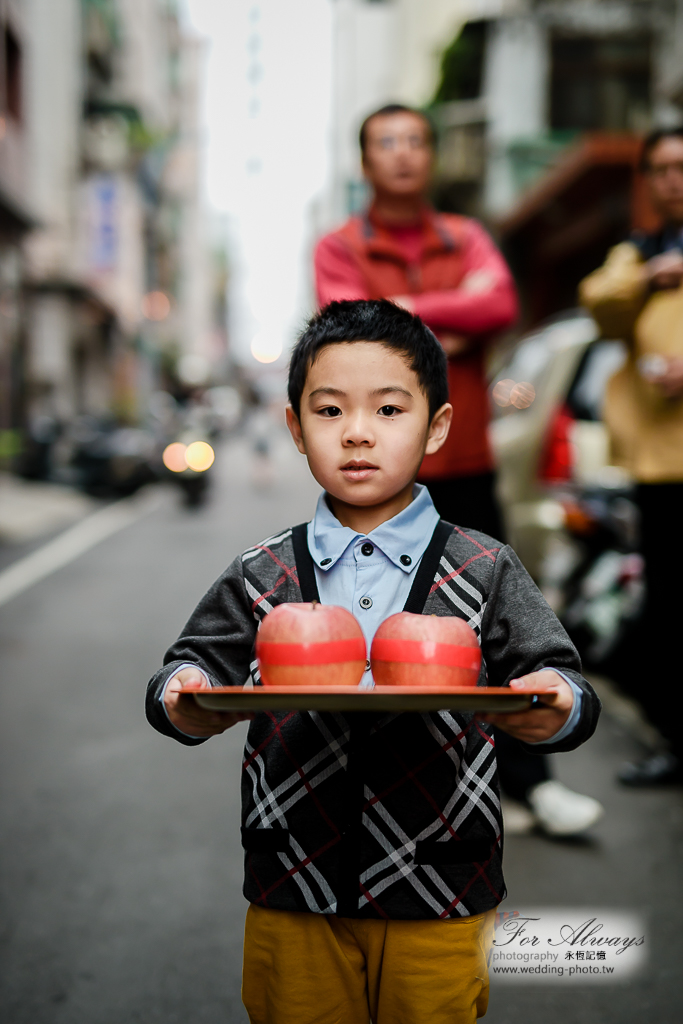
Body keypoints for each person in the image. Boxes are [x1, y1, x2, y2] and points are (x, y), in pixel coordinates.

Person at [146, 300, 601, 1024]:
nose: (357, 432)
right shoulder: (261, 572)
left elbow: (559, 677)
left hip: (441, 886)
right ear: (294, 428)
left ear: (438, 426)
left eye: (389, 410)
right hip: (292, 882)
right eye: (329, 412)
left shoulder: (483, 567)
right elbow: (191, 665)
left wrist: (553, 704)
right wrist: (185, 693)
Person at [315, 103, 602, 836]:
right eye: (387, 142)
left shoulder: (467, 236)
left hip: (465, 457)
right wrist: (443, 326)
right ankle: (373, 782)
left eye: (415, 140)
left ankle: (530, 784)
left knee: (497, 623)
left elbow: (498, 303)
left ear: (431, 156)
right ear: (365, 160)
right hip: (379, 471)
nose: (403, 154)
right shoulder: (340, 245)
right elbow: (347, 326)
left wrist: (402, 312)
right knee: (373, 624)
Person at [580, 126, 683, 786]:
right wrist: (650, 273)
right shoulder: (639, 253)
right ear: (647, 181)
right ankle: (675, 744)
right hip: (660, 465)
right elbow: (599, 303)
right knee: (669, 608)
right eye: (662, 168)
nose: (673, 178)